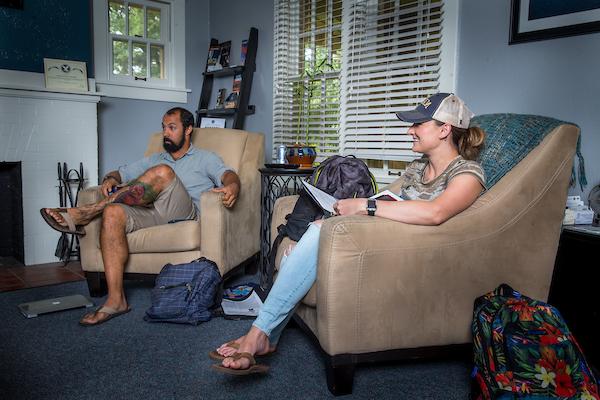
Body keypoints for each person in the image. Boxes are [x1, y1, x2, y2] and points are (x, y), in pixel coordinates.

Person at [210, 93, 486, 375]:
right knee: (319, 229)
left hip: (412, 252)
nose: (409, 131)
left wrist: (363, 206)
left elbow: (435, 213)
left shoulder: (467, 173)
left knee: (320, 235)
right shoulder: (418, 168)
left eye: (418, 124)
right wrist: (342, 214)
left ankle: (259, 335)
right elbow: (388, 198)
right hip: (387, 237)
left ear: (444, 129)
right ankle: (265, 336)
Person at [40, 107, 241, 326]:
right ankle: (116, 300)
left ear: (188, 129)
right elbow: (121, 172)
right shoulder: (154, 158)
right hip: (152, 211)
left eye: (172, 127)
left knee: (163, 171)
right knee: (112, 212)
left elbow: (228, 174)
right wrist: (109, 178)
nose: (165, 133)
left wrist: (233, 186)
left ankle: (86, 212)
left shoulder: (204, 158)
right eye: (164, 127)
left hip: (184, 212)